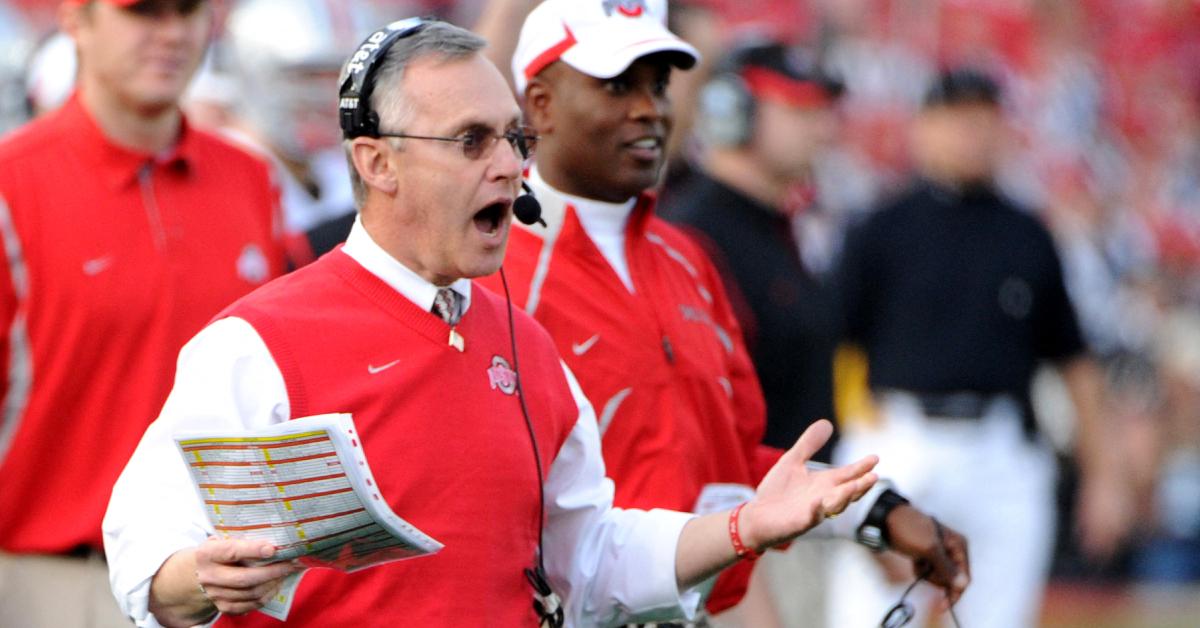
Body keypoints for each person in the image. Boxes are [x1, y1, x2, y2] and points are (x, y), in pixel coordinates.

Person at [103, 17, 882, 627]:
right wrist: (194, 580)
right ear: (377, 163)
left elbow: (592, 556)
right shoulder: (259, 342)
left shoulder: (528, 346)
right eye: (471, 141)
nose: (510, 165)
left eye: (511, 138)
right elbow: (145, 546)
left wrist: (746, 526)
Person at [488, 1, 969, 624]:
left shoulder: (688, 260)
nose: (649, 107)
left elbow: (732, 461)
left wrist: (874, 510)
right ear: (540, 103)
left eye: (658, 84)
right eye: (616, 84)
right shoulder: (489, 271)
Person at [0, 0, 287, 626]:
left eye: (187, 12)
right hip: (48, 581)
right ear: (76, 19)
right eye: (143, 12)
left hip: (228, 585)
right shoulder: (10, 183)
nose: (172, 34)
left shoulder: (251, 179)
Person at [829, 68, 1131, 628]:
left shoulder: (1027, 233)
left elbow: (1074, 361)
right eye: (957, 118)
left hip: (1001, 444)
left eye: (984, 118)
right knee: (870, 615)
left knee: (997, 615)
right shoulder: (879, 226)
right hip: (898, 437)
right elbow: (831, 344)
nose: (972, 133)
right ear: (923, 127)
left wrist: (1104, 476)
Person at [657, 40, 855, 627]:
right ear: (728, 110)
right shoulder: (692, 235)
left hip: (787, 520)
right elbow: (692, 416)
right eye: (797, 108)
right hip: (737, 527)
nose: (820, 126)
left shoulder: (783, 228)